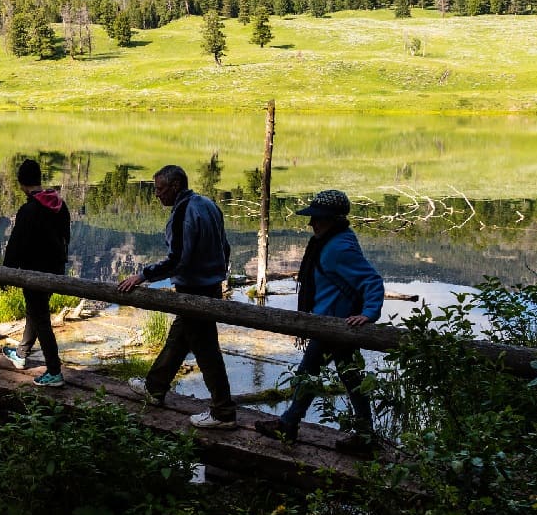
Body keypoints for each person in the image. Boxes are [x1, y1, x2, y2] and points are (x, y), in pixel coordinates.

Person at [254, 189, 385, 454]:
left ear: (333, 220)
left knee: (317, 375)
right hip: (330, 324)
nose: (311, 223)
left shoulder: (338, 247)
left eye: (318, 218)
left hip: (336, 326)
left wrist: (369, 314)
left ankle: (293, 425)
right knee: (342, 378)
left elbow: (372, 281)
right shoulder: (332, 240)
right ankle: (359, 434)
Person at [117, 165, 236, 430]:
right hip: (211, 286)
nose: (157, 195)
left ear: (176, 186)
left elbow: (177, 259)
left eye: (160, 189)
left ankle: (223, 411)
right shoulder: (208, 204)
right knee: (180, 339)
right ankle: (155, 388)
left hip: (194, 290)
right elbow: (225, 247)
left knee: (206, 350)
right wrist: (218, 276)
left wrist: (143, 276)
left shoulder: (183, 211)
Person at [1, 158, 72, 387]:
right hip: (56, 270)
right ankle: (21, 355)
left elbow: (16, 245)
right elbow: (65, 238)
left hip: (34, 273)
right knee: (35, 311)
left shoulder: (29, 210)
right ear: (39, 180)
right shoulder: (60, 204)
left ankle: (54, 371)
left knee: (41, 319)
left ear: (21, 183)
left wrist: (6, 273)